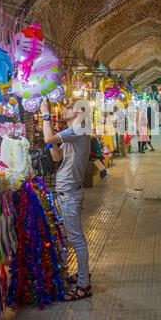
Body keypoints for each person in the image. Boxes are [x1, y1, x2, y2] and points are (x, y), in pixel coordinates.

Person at [40, 99, 92, 301]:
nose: (64, 109)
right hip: (66, 193)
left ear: (80, 111)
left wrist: (46, 115)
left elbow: (48, 138)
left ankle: (84, 285)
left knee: (77, 240)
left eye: (68, 107)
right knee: (74, 238)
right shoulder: (73, 132)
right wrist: (52, 142)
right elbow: (56, 157)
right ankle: (82, 276)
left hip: (70, 193)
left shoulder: (79, 129)